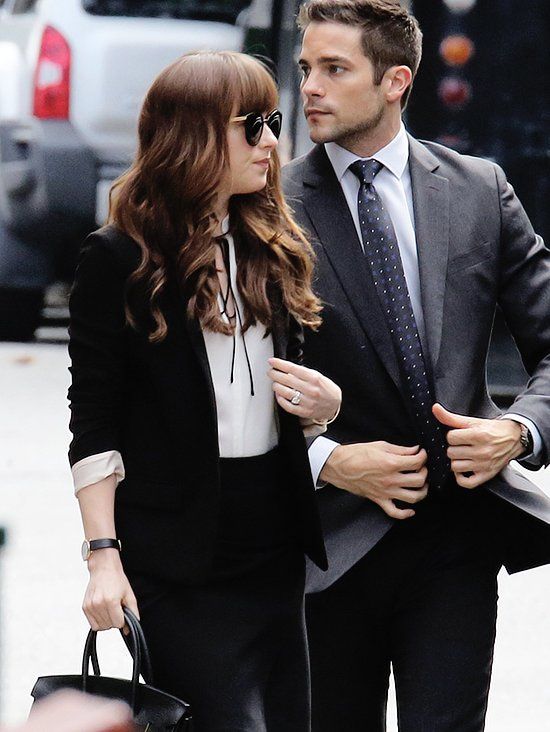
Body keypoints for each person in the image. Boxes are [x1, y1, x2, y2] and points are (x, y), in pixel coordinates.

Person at [282, 1, 550, 730]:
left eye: (334, 69)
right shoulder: (268, 206)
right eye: (307, 67)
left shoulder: (479, 190)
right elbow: (222, 385)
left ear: (395, 80)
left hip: (457, 542)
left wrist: (519, 432)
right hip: (326, 548)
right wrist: (327, 460)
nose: (311, 86)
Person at [68, 50, 341, 732]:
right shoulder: (118, 258)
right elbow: (93, 422)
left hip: (273, 550)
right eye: (253, 125)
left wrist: (323, 411)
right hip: (177, 560)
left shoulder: (274, 248)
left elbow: (272, 408)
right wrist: (104, 560)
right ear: (193, 136)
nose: (273, 141)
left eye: (274, 122)